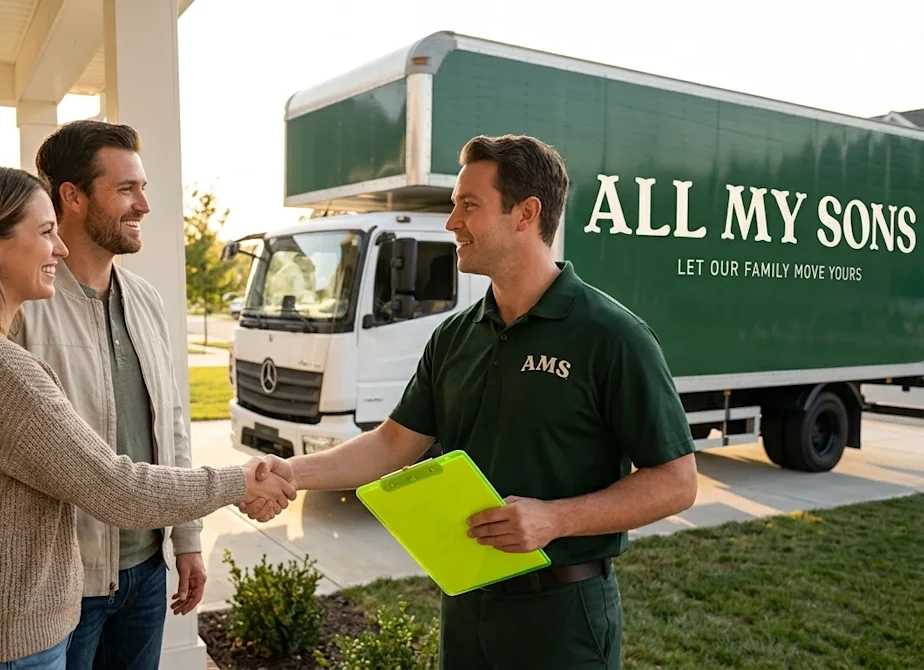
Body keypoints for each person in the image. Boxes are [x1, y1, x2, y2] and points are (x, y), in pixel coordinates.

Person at [245, 134, 699, 669]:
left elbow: (676, 480)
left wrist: (556, 518)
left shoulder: (612, 336)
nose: (451, 223)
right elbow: (392, 444)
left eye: (469, 205)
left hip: (562, 618)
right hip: (465, 606)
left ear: (526, 214)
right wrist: (289, 472)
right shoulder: (455, 336)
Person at [0, 161, 295, 669]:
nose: (61, 248)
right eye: (46, 232)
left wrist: (187, 536)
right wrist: (240, 480)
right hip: (1, 651)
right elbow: (115, 488)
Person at [10, 119, 274, 670]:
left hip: (146, 577)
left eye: (143, 188)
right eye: (127, 189)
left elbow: (172, 424)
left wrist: (187, 540)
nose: (144, 205)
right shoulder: (23, 309)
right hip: (62, 584)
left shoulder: (147, 300)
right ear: (72, 197)